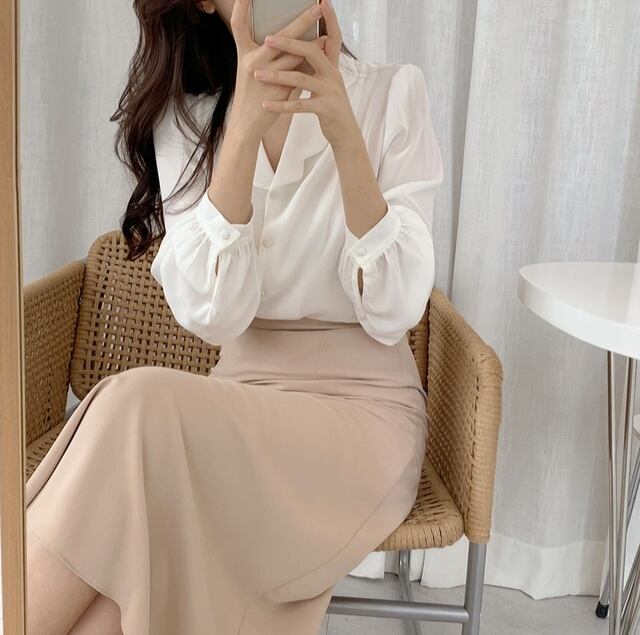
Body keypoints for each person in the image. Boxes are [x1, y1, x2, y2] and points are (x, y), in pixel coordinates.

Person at [25, 0, 444, 633]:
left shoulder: (392, 93)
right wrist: (244, 129)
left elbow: (397, 308)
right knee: (120, 582)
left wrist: (343, 130)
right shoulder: (188, 120)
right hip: (241, 402)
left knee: (135, 407)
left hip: (364, 419)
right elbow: (213, 316)